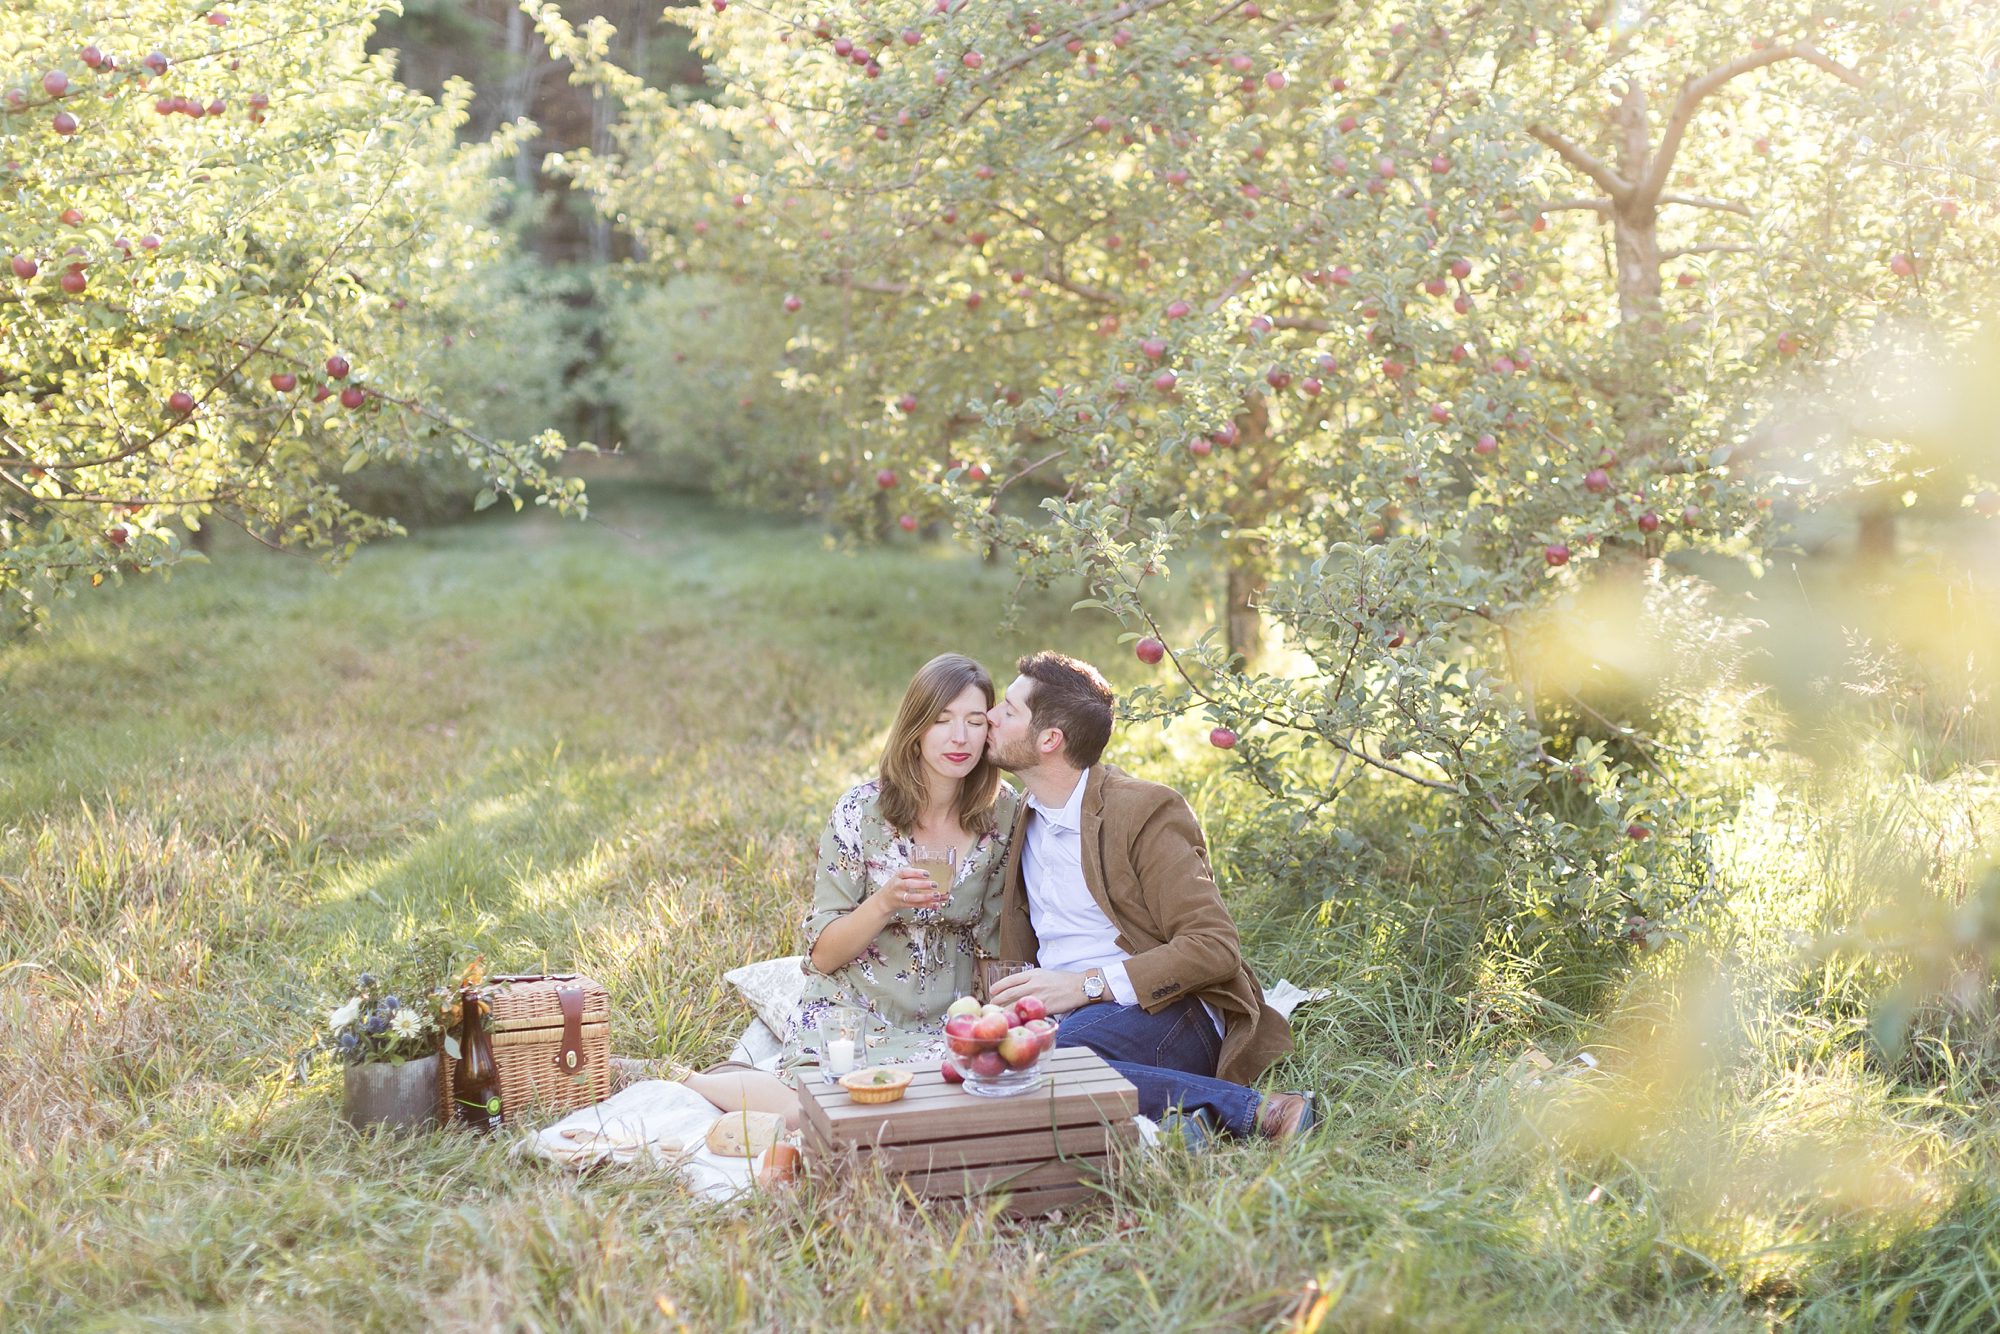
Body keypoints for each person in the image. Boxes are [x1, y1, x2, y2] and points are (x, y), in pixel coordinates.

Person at [983, 651, 1315, 1141]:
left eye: (1008, 711)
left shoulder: (1142, 810)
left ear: (1049, 740)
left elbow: (1214, 946)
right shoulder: (1018, 815)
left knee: (1043, 1068)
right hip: (1070, 1016)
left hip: (1169, 1008)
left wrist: (1086, 986)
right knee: (991, 1073)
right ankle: (1183, 1130)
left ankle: (1264, 1111)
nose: (990, 716)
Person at [686, 652, 1022, 1127]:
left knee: (944, 1111)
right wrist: (884, 902)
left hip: (948, 1019)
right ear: (916, 727)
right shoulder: (862, 812)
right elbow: (822, 955)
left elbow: (993, 939)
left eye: (974, 721)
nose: (959, 737)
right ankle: (694, 1082)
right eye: (942, 719)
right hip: (853, 1012)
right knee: (826, 1114)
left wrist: (994, 1028)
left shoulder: (1002, 812)